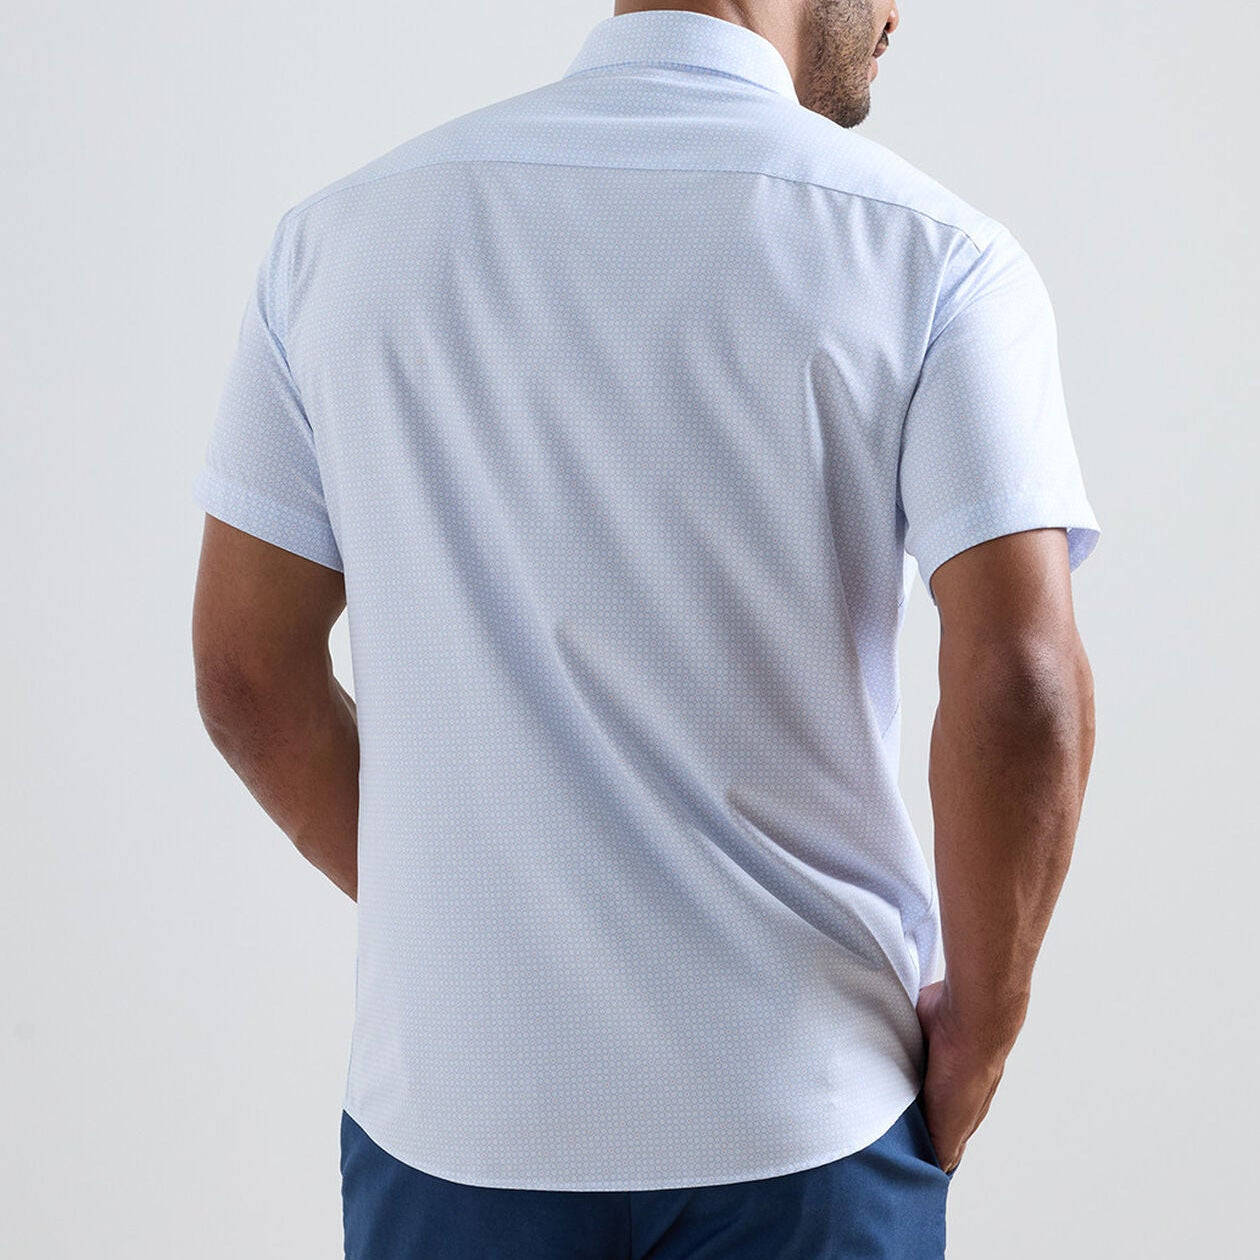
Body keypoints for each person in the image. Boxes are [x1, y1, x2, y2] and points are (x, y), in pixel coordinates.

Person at [190, 2, 1100, 1256]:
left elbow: (248, 672)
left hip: (455, 1113)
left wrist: (470, 915)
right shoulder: (932, 254)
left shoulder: (339, 243)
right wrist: (979, 1041)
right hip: (802, 1117)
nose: (900, 12)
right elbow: (1023, 682)